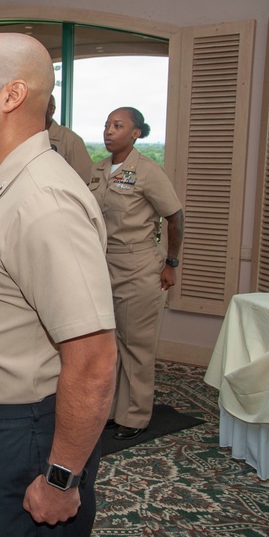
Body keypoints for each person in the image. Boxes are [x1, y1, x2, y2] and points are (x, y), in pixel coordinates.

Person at [0, 33, 117, 537]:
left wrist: (61, 479)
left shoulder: (44, 202)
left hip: (28, 438)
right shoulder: (4, 185)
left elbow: (94, 362)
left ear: (12, 95)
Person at [89, 107, 184, 440]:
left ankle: (136, 416)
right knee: (109, 345)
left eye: (118, 125)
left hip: (139, 266)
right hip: (104, 266)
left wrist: (171, 264)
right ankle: (113, 410)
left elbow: (175, 217)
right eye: (106, 124)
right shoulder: (98, 169)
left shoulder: (148, 171)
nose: (109, 130)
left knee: (137, 345)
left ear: (137, 133)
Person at [45, 94, 93, 183]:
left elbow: (87, 179)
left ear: (51, 110)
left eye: (41, 106)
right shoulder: (23, 135)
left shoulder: (70, 139)